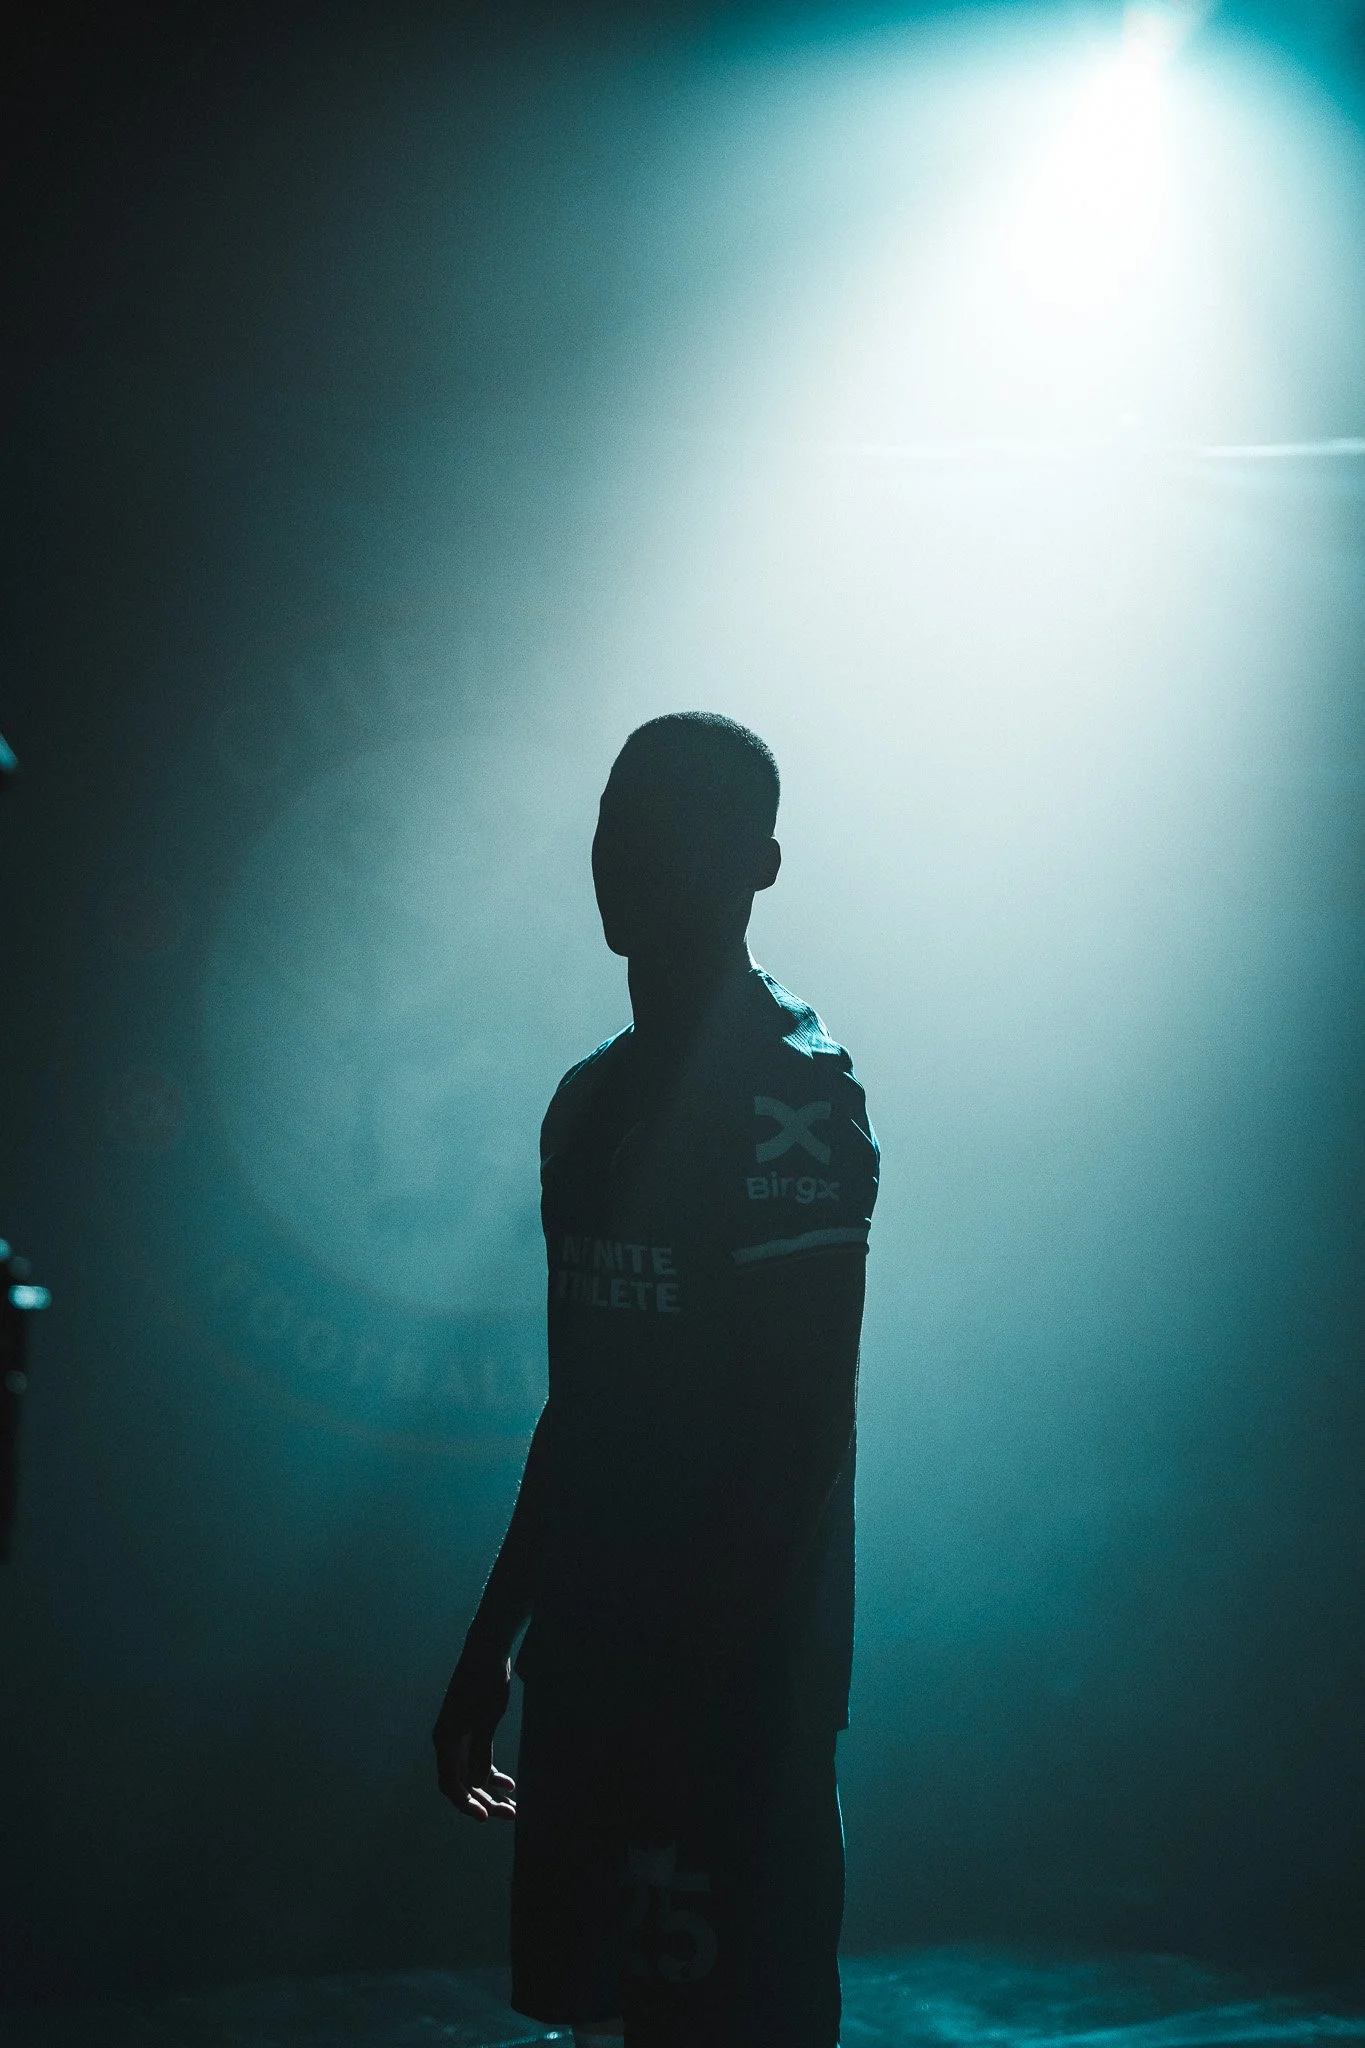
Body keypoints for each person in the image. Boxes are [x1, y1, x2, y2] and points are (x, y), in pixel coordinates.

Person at [433, 713, 878, 2048]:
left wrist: (704, 1692)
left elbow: (798, 1435)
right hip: (596, 1674)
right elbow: (583, 1407)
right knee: (603, 2025)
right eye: (615, 826)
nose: (626, 860)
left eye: (673, 833)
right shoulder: (588, 1104)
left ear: (760, 866)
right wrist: (493, 1646)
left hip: (727, 1704)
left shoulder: (794, 1105)